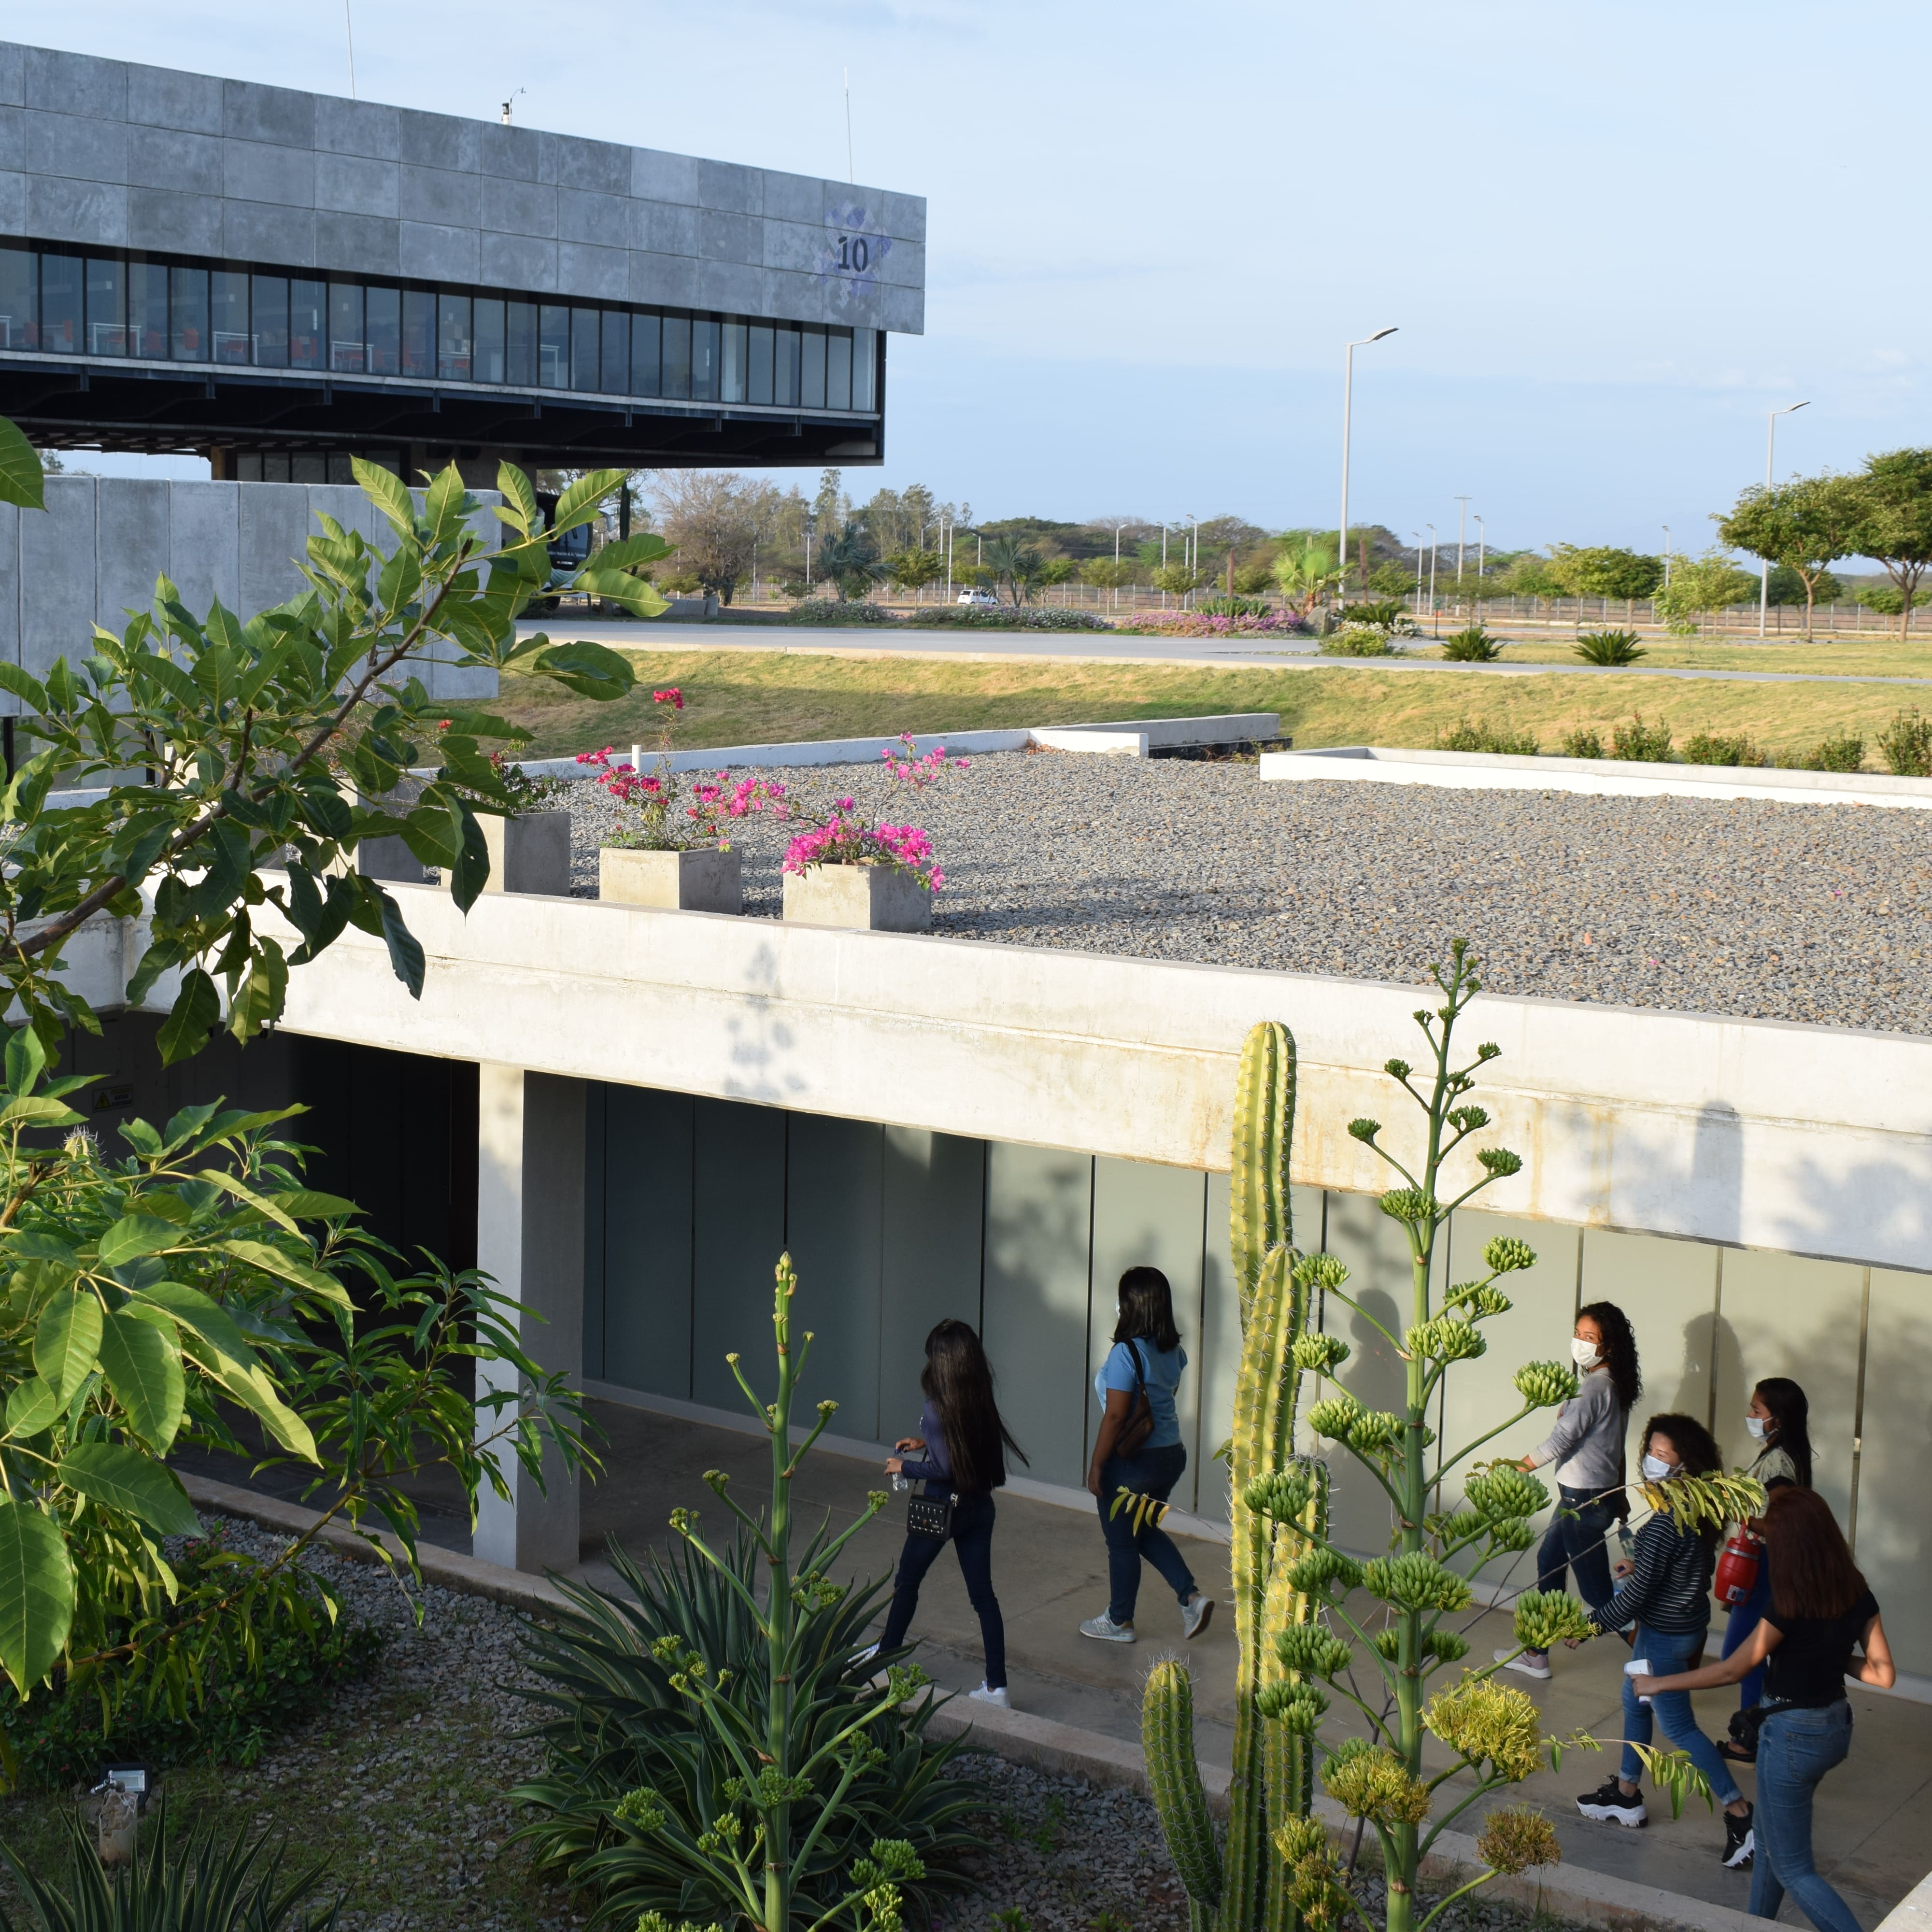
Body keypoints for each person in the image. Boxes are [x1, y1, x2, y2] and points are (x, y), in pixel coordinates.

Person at [1637, 1486, 1892, 1932]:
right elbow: (1882, 1674)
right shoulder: (1857, 1591)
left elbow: (1732, 1671)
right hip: (1834, 1729)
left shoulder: (1789, 1603)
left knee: (1796, 1869)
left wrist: (1658, 1682)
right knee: (1773, 1847)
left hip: (1793, 1738)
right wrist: (1834, 1656)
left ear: (1791, 1541)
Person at [1571, 1412, 1757, 1871]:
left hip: (1665, 1638)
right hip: (1677, 1626)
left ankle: (1741, 1817)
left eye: (1662, 1454)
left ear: (1684, 1465)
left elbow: (1634, 1599)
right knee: (1633, 1704)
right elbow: (1683, 1569)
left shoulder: (1663, 1524)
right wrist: (1645, 1568)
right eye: (1650, 1452)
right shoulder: (1694, 1511)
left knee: (1679, 1728)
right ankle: (1627, 1795)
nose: (1652, 1461)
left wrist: (1590, 1626)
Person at [875, 1319, 1028, 1708]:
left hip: (942, 1508)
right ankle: (997, 1688)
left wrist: (903, 1467)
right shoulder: (979, 1396)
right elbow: (959, 1443)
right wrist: (927, 1441)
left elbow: (943, 1471)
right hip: (979, 1508)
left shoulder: (935, 1406)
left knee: (907, 1580)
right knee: (984, 1598)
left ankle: (885, 1657)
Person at [1498, 1300, 1641, 1682]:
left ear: (1608, 1345)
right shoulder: (1612, 1382)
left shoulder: (1596, 1387)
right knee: (1549, 1562)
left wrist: (1518, 1467)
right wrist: (1620, 1492)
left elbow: (1560, 1441)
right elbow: (1614, 1444)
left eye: (1590, 1337)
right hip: (1588, 1495)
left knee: (1599, 1595)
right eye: (1578, 1334)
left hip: (1583, 1500)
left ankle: (1654, 1664)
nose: (1580, 1342)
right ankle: (1536, 1653)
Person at [1079, 1265, 1214, 1645]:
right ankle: (1191, 1599)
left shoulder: (1126, 1353)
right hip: (1170, 1456)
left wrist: (1097, 1464)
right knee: (1144, 1530)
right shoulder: (1174, 1351)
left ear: (1130, 1304)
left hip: (1133, 1463)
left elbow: (1118, 1415)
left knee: (1122, 1541)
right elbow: (1162, 1401)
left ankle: (1120, 1621)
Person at [1718, 1376, 1814, 1763]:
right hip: (1763, 1567)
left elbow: (1779, 1524)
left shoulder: (1778, 1463)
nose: (1750, 1416)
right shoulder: (1778, 1452)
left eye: (1757, 1411)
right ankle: (1755, 1733)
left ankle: (1752, 1735)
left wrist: (1741, 1515)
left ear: (1779, 1418)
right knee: (1751, 1655)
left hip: (1765, 1566)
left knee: (1743, 1656)